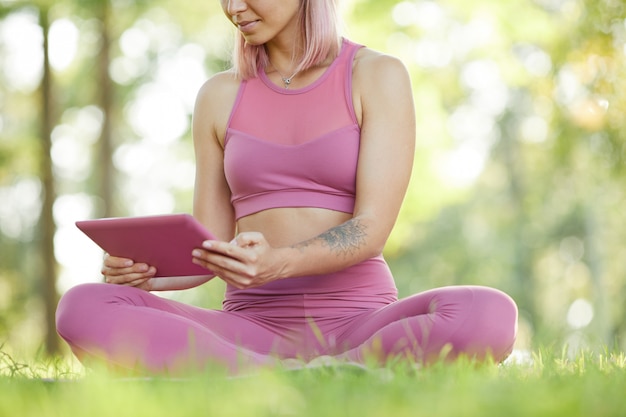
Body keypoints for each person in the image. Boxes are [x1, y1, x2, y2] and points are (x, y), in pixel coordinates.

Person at [56, 0, 518, 375]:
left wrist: (279, 262)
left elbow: (370, 228)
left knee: (488, 312)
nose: (233, 7)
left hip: (360, 322)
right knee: (84, 306)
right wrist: (150, 275)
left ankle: (290, 370)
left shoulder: (376, 75)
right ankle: (301, 373)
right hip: (248, 328)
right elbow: (210, 247)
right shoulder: (218, 95)